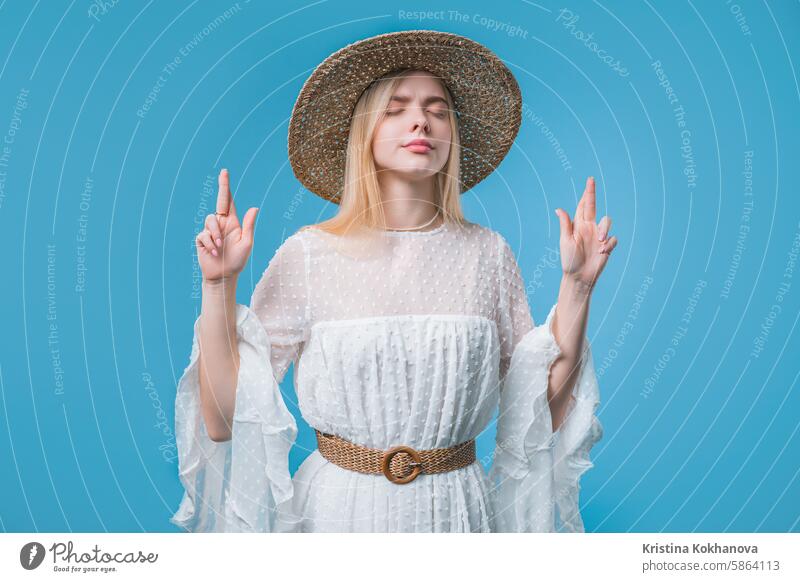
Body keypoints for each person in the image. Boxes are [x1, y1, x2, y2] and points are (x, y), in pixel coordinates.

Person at [171, 30, 617, 533]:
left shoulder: (488, 254)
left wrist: (577, 286)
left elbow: (542, 415)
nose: (421, 120)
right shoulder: (309, 256)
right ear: (364, 131)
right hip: (336, 519)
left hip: (459, 519)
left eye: (438, 109)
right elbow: (221, 418)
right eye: (396, 108)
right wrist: (218, 286)